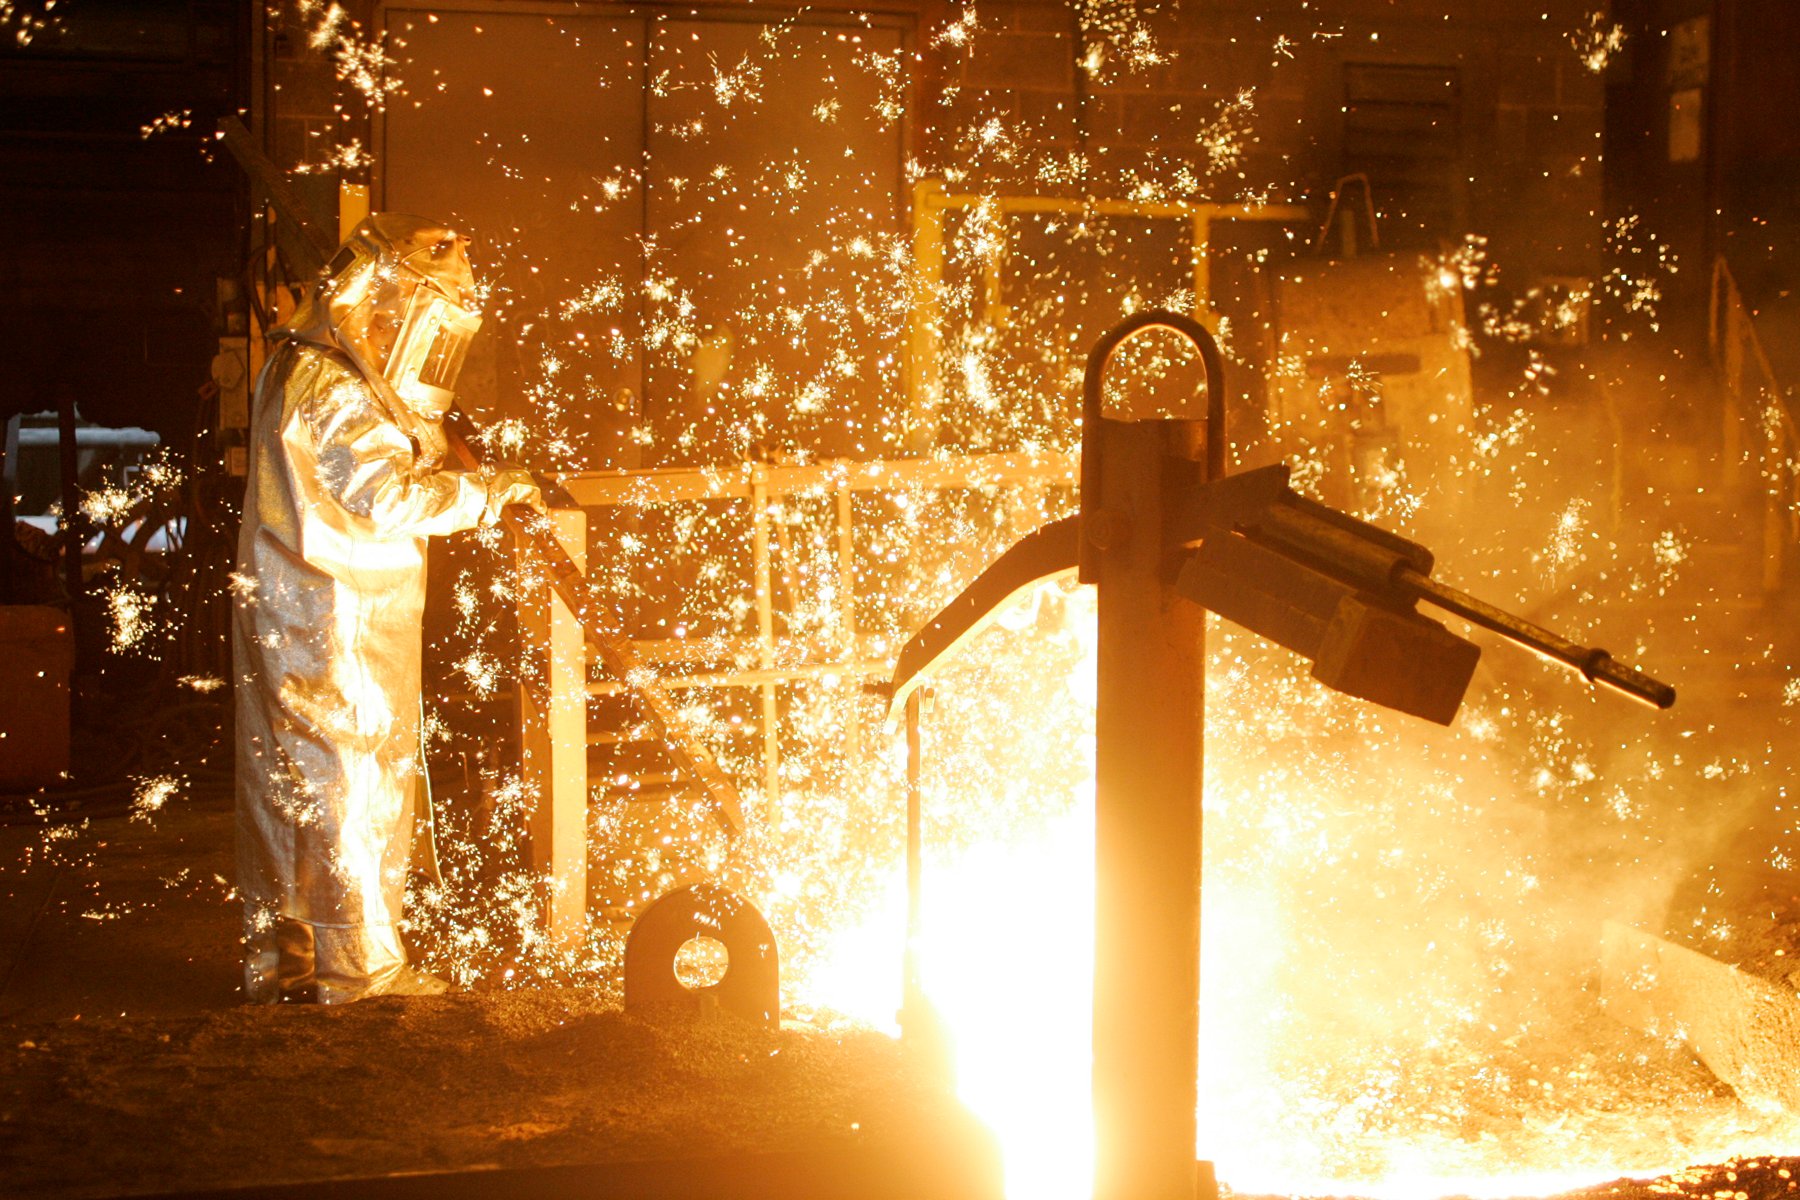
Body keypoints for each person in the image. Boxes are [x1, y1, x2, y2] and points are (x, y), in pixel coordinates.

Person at [233, 213, 541, 1003]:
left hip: (308, 607)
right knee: (349, 785)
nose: (408, 337)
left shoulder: (304, 366)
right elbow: (383, 494)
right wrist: (484, 493)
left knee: (293, 781)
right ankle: (357, 969)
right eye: (409, 317)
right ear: (381, 301)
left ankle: (285, 961)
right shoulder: (332, 381)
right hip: (336, 616)